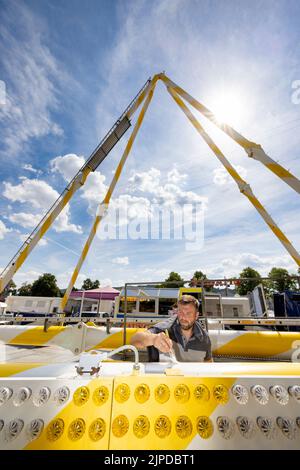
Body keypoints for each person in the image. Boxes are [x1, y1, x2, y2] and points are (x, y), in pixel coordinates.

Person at [130, 294, 212, 362]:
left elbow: (208, 362)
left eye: (188, 313)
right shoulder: (163, 328)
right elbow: (134, 340)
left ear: (196, 315)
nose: (183, 317)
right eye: (180, 312)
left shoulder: (204, 338)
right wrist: (153, 339)